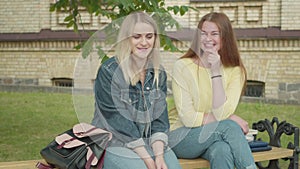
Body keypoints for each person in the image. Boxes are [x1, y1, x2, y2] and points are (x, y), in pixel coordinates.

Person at [91, 11, 182, 169]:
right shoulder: (109, 71)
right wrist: (148, 159)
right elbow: (117, 121)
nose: (144, 42)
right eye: (137, 36)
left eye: (149, 36)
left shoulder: (157, 73)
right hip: (113, 144)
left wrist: (159, 156)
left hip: (147, 142)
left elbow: (160, 121)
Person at [168, 12, 257, 169]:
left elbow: (222, 112)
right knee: (229, 127)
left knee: (222, 150)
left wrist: (216, 71)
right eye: (203, 34)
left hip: (211, 136)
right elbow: (188, 118)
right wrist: (230, 119)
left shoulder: (235, 71)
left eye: (214, 34)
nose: (208, 39)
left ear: (225, 38)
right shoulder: (182, 67)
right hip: (180, 136)